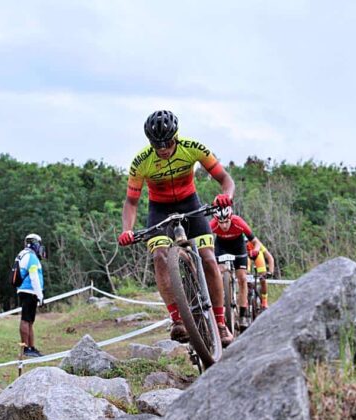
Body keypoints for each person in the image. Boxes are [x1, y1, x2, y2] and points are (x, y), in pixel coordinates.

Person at [118, 110, 236, 347]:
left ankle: (220, 323)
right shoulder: (141, 162)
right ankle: (177, 320)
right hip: (159, 210)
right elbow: (131, 202)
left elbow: (226, 180)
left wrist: (226, 196)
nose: (163, 149)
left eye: (168, 142)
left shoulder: (193, 148)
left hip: (189, 203)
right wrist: (127, 229)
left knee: (209, 259)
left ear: (176, 137)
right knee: (160, 256)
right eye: (157, 144)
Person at [210, 206, 266, 327]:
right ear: (216, 220)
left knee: (242, 279)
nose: (224, 226)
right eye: (221, 222)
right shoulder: (212, 225)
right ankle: (222, 300)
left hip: (238, 246)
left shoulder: (238, 222)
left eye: (226, 221)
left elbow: (256, 242)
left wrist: (255, 251)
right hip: (221, 247)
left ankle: (242, 315)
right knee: (217, 273)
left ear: (231, 218)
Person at [16, 233, 45, 357]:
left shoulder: (23, 255)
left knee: (29, 321)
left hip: (26, 291)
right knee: (25, 319)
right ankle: (26, 348)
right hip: (29, 291)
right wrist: (40, 295)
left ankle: (31, 347)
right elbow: (34, 277)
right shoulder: (31, 257)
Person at [246, 240, 275, 310]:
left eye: (247, 242)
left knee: (263, 278)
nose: (246, 244)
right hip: (245, 256)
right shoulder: (238, 243)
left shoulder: (257, 243)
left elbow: (270, 258)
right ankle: (247, 296)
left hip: (257, 255)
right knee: (246, 274)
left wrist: (270, 272)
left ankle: (264, 301)